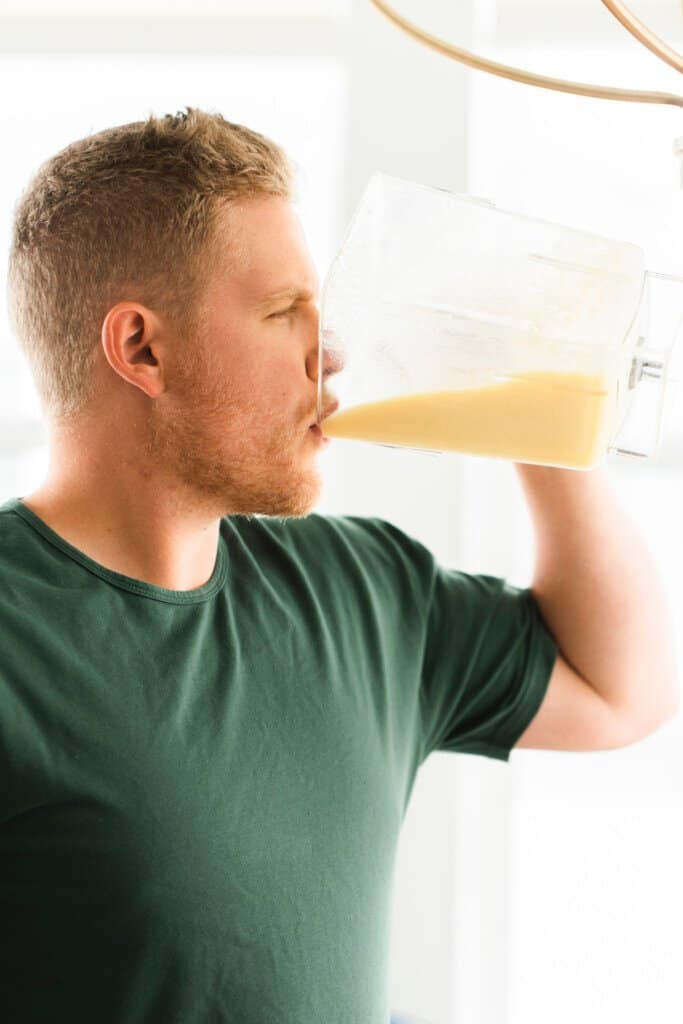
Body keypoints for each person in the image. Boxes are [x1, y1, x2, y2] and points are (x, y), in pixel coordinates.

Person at [1, 106, 678, 1024]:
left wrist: (542, 403)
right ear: (141, 349)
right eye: (286, 313)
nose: (334, 353)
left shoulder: (358, 589)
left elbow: (617, 692)